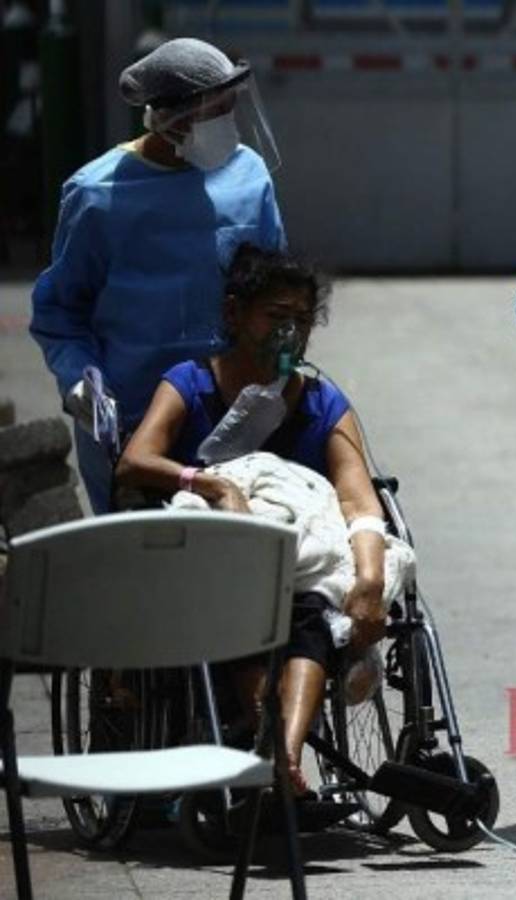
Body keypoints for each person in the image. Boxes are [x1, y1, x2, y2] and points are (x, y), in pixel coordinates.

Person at [115, 245, 389, 794]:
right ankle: (264, 744)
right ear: (236, 314)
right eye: (276, 317)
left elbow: (359, 501)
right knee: (241, 604)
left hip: (295, 566)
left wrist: (370, 580)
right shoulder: (190, 385)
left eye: (302, 321)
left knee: (308, 613)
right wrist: (210, 483)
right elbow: (134, 462)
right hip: (213, 565)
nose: (290, 333)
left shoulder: (321, 402)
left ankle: (282, 756)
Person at [30, 37, 286, 515]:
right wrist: (80, 383)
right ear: (174, 119)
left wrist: (279, 370)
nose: (230, 122)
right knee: (142, 574)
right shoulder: (97, 194)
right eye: (219, 110)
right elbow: (60, 313)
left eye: (235, 106)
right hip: (131, 428)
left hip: (231, 420)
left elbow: (278, 293)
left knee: (236, 569)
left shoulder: (249, 176)